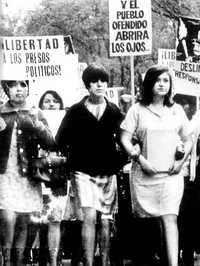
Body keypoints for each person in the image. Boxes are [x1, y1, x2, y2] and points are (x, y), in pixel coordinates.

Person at [120, 65, 192, 266]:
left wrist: (181, 161)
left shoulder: (176, 110)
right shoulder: (137, 110)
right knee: (147, 225)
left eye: (166, 80)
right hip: (145, 177)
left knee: (170, 218)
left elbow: (188, 139)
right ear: (149, 83)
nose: (162, 84)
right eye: (158, 80)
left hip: (171, 176)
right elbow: (125, 138)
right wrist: (140, 159)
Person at [56, 63, 124, 266]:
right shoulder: (75, 111)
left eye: (103, 80)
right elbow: (60, 140)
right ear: (87, 85)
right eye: (94, 81)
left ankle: (104, 261)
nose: (99, 84)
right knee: (88, 216)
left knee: (105, 220)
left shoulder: (114, 110)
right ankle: (87, 262)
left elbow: (126, 139)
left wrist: (121, 160)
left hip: (108, 171)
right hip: (82, 171)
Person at [0, 80, 55, 266]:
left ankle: (19, 262)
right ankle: (6, 260)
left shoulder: (35, 112)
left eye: (23, 85)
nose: (18, 90)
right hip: (4, 175)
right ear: (6, 89)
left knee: (24, 221)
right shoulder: (0, 111)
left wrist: (38, 124)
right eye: (13, 85)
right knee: (7, 218)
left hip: (28, 177)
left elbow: (51, 143)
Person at [27, 90, 67, 266]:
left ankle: (53, 261)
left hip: (58, 175)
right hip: (38, 174)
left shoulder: (66, 119)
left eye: (55, 101)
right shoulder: (34, 120)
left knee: (55, 219)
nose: (51, 104)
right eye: (47, 101)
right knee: (35, 220)